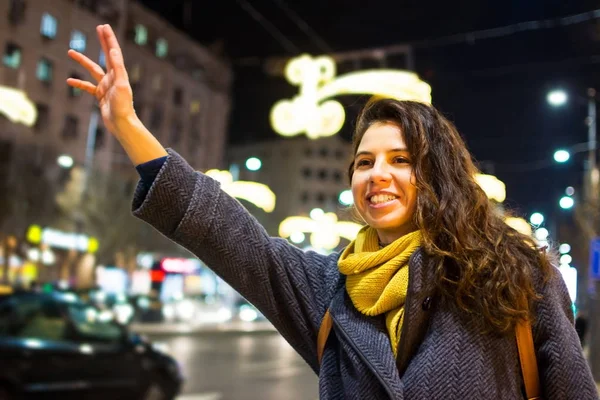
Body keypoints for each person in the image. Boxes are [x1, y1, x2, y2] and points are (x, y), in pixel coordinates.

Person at [67, 25, 599, 399]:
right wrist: (128, 127)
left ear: (438, 175)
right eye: (364, 162)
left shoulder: (515, 275)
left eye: (401, 160)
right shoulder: (331, 288)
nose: (377, 174)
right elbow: (228, 234)